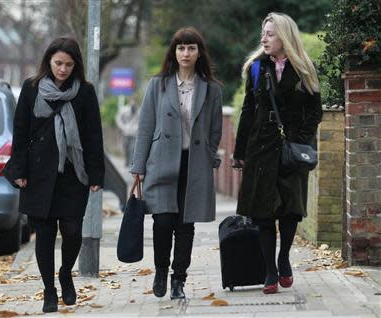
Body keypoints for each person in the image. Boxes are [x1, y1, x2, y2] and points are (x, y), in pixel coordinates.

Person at [7, 37, 105, 312]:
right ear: (48, 62)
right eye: (58, 63)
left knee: (73, 230)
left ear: (76, 65)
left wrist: (97, 174)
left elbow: (93, 135)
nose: (63, 69)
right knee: (45, 234)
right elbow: (21, 131)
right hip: (38, 173)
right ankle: (49, 290)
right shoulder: (32, 88)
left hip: (73, 171)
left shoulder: (85, 92)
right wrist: (19, 171)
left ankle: (65, 273)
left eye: (69, 64)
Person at [233, 12, 322, 294]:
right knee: (262, 212)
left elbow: (314, 111)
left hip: (291, 149)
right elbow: (248, 111)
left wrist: (301, 141)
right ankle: (270, 271)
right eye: (263, 33)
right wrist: (239, 152)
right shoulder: (257, 68)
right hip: (261, 147)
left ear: (285, 36)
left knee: (290, 210)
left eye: (270, 33)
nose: (264, 38)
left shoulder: (305, 67)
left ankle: (284, 259)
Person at [130, 27, 223, 299]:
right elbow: (145, 127)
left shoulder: (212, 89)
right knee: (162, 222)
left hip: (194, 165)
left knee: (186, 225)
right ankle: (161, 270)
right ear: (174, 52)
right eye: (181, 48)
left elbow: (215, 128)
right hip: (160, 163)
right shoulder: (157, 84)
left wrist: (208, 153)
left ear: (198, 52)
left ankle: (178, 280)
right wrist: (138, 166)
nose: (185, 53)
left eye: (191, 48)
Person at [115, 97, 140, 167]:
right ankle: (127, 161)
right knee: (126, 147)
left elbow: (141, 121)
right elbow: (118, 119)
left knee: (132, 148)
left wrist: (137, 128)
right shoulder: (124, 110)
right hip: (125, 133)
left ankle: (130, 163)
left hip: (134, 133)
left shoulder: (139, 111)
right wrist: (122, 127)